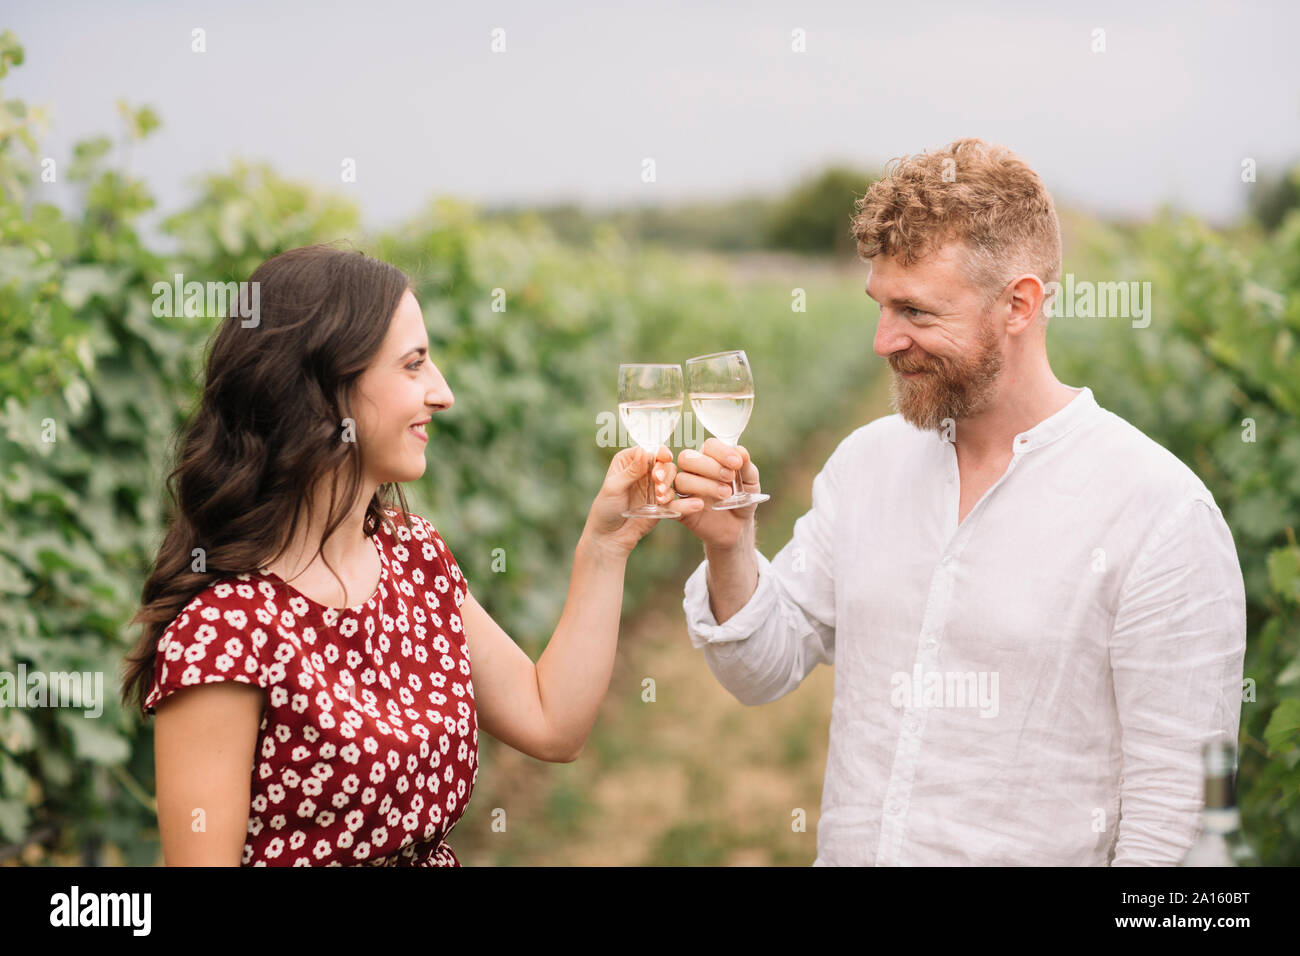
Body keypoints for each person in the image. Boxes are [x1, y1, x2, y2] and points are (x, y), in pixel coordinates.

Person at [671, 138, 1247, 866]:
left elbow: (1179, 823)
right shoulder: (865, 466)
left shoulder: (1160, 514)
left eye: (916, 311)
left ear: (1020, 304)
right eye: (880, 305)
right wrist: (730, 549)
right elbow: (760, 669)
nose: (884, 340)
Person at [120, 243, 689, 866]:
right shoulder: (227, 631)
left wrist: (606, 546)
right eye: (414, 364)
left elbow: (553, 724)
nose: (442, 393)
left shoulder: (414, 557)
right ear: (321, 387)